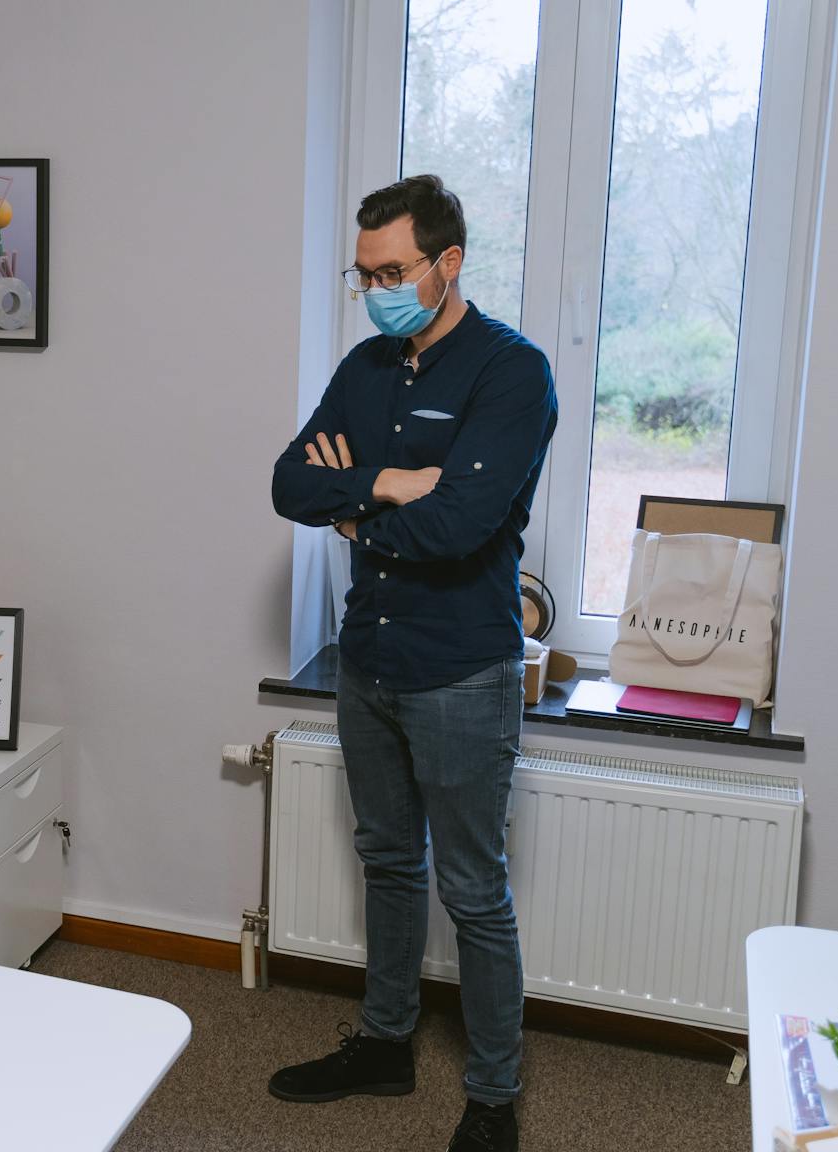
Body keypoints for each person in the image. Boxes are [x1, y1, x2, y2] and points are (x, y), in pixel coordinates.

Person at [267, 175, 558, 1152]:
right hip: (368, 660)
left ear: (447, 262)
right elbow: (287, 481)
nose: (379, 287)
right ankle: (384, 1043)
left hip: (461, 674)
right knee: (387, 863)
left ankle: (492, 1097)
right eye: (364, 275)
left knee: (472, 890)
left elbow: (463, 523)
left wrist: (353, 512)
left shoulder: (511, 374)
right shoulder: (365, 365)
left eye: (392, 270)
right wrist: (385, 482)